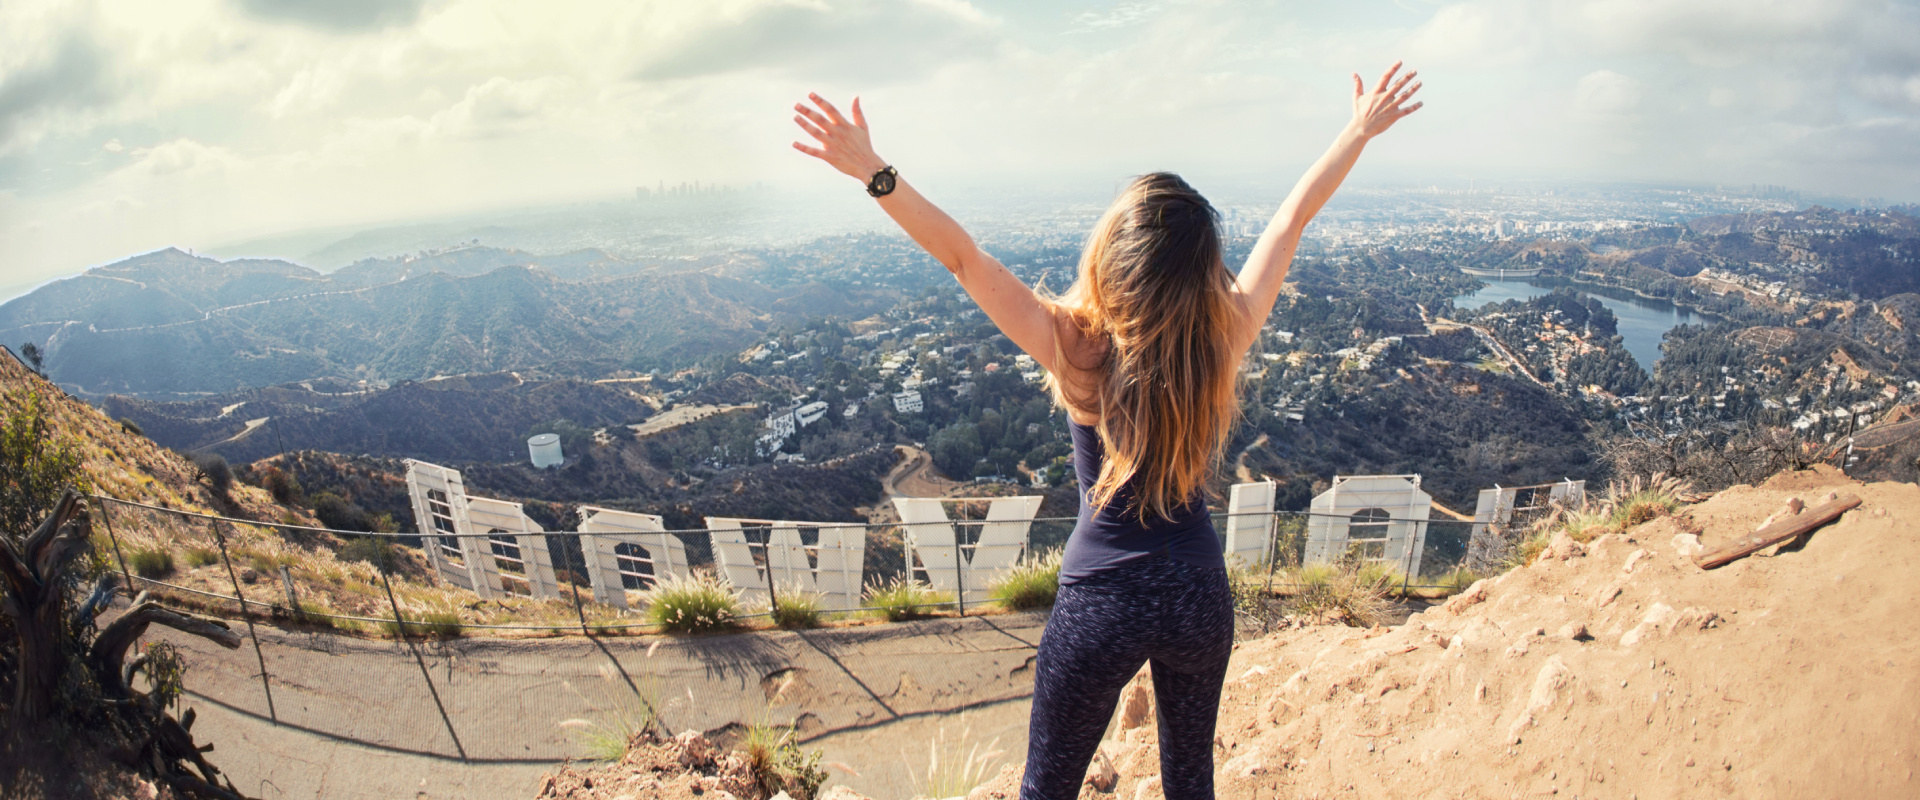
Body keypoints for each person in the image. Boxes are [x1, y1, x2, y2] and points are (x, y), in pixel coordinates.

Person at [793, 62, 1422, 800]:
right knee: (1191, 783)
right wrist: (1357, 131)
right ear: (1201, 273)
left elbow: (963, 257)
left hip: (1103, 598)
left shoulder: (1075, 346)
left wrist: (875, 172)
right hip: (1196, 592)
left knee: (1047, 788)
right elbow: (1292, 219)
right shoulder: (1221, 342)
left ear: (1110, 259)